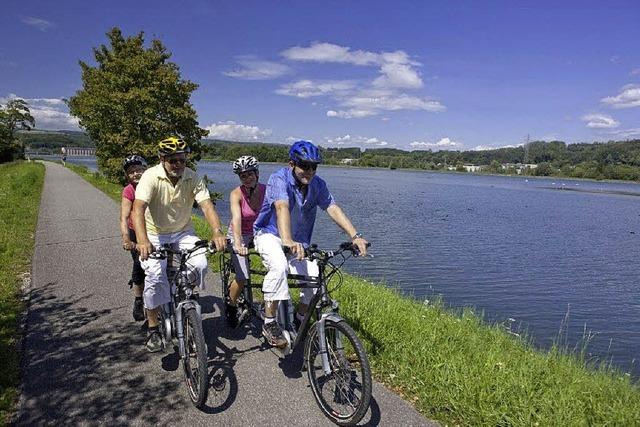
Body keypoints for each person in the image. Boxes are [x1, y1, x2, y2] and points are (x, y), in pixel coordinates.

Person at [253, 140, 368, 348]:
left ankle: (299, 319)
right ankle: (269, 322)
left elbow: (332, 208)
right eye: (305, 165)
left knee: (315, 277)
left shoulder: (318, 184)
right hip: (270, 234)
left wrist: (355, 235)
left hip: (298, 241)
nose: (310, 171)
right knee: (278, 266)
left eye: (314, 166)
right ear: (292, 164)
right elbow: (281, 207)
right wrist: (287, 240)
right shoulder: (278, 179)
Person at [132, 137, 226, 352]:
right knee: (155, 277)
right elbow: (137, 209)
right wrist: (143, 240)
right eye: (173, 161)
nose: (179, 165)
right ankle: (154, 328)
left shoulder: (192, 177)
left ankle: (185, 294)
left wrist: (217, 232)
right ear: (162, 159)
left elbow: (206, 206)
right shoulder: (150, 177)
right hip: (155, 234)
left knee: (200, 264)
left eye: (182, 160)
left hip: (183, 232)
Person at [225, 156, 266, 328]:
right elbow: (236, 220)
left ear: (257, 174)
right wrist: (238, 243)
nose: (247, 178)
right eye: (243, 176)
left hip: (259, 232)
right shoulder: (236, 194)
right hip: (238, 234)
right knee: (242, 276)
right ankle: (231, 305)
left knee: (276, 267)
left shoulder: (267, 190)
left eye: (250, 174)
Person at [119, 155, 148, 322]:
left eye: (139, 170)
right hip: (135, 232)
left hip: (153, 230)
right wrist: (126, 240)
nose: (136, 174)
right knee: (140, 264)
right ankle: (138, 299)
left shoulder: (154, 186)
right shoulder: (129, 190)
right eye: (131, 172)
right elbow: (123, 217)